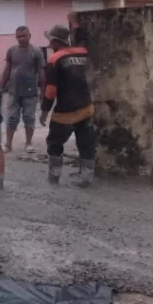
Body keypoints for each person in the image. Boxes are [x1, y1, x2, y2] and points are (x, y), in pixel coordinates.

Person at [39, 24, 95, 187]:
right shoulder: (83, 52)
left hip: (65, 112)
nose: (49, 45)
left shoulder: (55, 59)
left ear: (56, 41)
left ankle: (54, 178)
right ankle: (86, 179)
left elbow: (50, 90)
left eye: (50, 41)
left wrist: (44, 111)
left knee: (55, 143)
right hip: (86, 108)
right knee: (86, 143)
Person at [0, 26, 45, 154]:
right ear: (16, 37)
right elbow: (7, 69)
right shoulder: (12, 50)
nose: (21, 39)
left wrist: (43, 90)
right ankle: (8, 144)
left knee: (29, 117)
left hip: (31, 92)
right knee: (12, 117)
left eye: (24, 36)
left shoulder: (36, 51)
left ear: (29, 36)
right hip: (14, 91)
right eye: (19, 36)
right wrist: (2, 87)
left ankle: (29, 143)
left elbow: (41, 71)